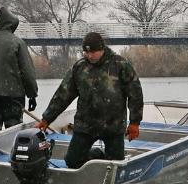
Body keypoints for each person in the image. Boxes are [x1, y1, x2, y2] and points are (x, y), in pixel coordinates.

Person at [35, 32, 143, 169]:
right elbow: (63, 95)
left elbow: (135, 94)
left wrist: (134, 123)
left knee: (115, 164)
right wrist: (46, 119)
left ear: (102, 49)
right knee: (72, 161)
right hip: (85, 125)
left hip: (113, 126)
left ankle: (106, 160)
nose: (89, 56)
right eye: (86, 52)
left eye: (93, 52)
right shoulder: (79, 67)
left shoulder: (120, 65)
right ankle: (97, 156)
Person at [0, 6, 39, 136]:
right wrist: (32, 95)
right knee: (13, 131)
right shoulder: (17, 43)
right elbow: (27, 72)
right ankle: (12, 148)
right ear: (12, 25)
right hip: (13, 95)